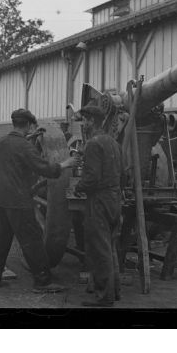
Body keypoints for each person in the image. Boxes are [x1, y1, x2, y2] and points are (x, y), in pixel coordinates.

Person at [0, 108, 78, 293]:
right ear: (27, 124)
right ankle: (42, 282)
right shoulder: (25, 146)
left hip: (0, 201)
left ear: (13, 123)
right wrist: (65, 164)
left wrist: (30, 137)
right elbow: (43, 168)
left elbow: (16, 148)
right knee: (32, 241)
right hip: (18, 201)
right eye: (29, 127)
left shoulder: (2, 142)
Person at [74, 105, 124, 307]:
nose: (83, 125)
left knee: (100, 249)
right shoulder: (113, 142)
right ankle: (115, 291)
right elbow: (124, 172)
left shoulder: (94, 144)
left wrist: (79, 186)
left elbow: (92, 178)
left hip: (99, 201)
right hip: (114, 199)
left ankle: (105, 298)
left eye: (85, 120)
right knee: (110, 247)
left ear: (93, 121)